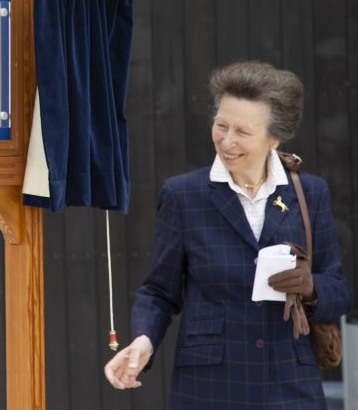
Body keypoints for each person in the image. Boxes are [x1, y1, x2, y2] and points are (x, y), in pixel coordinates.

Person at [104, 61, 352, 408]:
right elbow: (159, 291)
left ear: (274, 138)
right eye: (221, 125)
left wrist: (310, 287)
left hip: (291, 386)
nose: (227, 141)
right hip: (208, 387)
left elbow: (339, 292)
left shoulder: (310, 193)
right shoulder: (182, 195)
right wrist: (143, 340)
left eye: (243, 132)